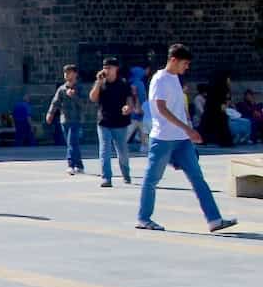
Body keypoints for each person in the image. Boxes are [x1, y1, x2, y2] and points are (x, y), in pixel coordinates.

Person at [137, 44, 238, 233]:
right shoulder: (160, 79)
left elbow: (179, 107)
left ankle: (214, 219)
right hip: (163, 139)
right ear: (173, 60)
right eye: (185, 63)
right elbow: (161, 109)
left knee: (198, 178)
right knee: (152, 179)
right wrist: (186, 129)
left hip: (182, 140)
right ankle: (144, 218)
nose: (187, 67)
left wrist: (189, 128)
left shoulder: (175, 78)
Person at [90, 57, 137, 188]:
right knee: (104, 149)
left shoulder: (123, 83)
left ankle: (126, 174)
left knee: (122, 151)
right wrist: (98, 83)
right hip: (104, 121)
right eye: (105, 67)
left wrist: (128, 108)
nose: (106, 70)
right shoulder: (101, 82)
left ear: (116, 69)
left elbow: (130, 102)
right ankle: (106, 178)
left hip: (120, 122)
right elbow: (93, 98)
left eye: (109, 67)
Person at [47, 64, 86, 175]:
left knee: (72, 142)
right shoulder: (62, 89)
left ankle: (71, 164)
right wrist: (50, 113)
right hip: (64, 120)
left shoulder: (79, 88)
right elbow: (55, 102)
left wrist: (73, 96)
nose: (66, 75)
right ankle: (79, 165)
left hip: (76, 120)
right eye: (65, 72)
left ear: (75, 74)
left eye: (69, 72)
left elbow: (84, 104)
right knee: (72, 143)